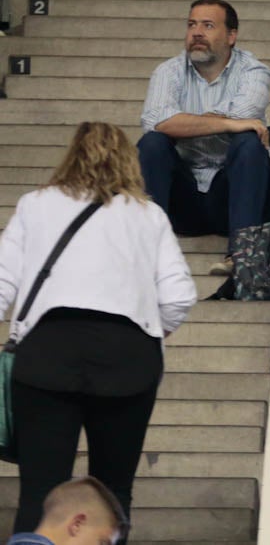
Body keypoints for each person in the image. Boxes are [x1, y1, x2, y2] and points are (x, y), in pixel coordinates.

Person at [0, 123, 196, 534]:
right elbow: (179, 296)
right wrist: (152, 329)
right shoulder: (149, 215)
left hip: (47, 353)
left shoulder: (35, 205)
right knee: (114, 490)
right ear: (129, 161)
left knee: (39, 491)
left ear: (70, 155)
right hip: (128, 357)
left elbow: (2, 282)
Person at [137, 0, 270, 271]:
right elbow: (157, 121)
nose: (197, 33)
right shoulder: (168, 71)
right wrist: (228, 123)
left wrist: (184, 122)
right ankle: (148, 252)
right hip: (185, 198)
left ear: (231, 36)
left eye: (208, 25)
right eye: (192, 25)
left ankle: (241, 256)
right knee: (152, 143)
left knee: (248, 144)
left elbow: (243, 116)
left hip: (233, 195)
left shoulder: (254, 71)